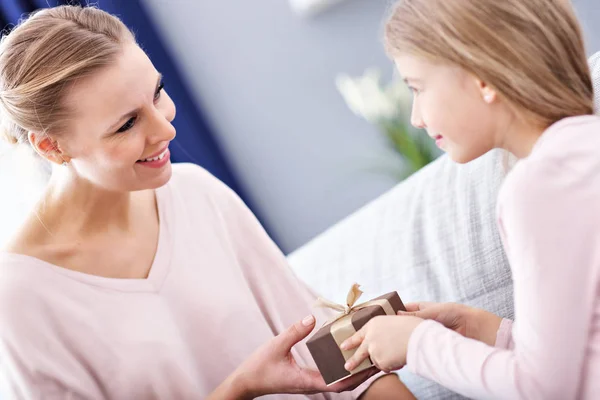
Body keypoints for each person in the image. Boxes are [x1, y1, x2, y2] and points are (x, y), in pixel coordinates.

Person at [0, 5, 414, 399]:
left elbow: (345, 366)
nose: (165, 129)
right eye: (127, 124)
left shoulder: (196, 192)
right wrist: (242, 388)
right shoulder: (20, 298)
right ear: (52, 147)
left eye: (157, 93)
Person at [340, 0, 600, 398]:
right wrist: (486, 330)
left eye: (417, 87)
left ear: (482, 78)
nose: (416, 118)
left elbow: (545, 390)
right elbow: (578, 358)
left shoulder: (536, 188)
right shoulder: (582, 148)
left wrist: (418, 344)